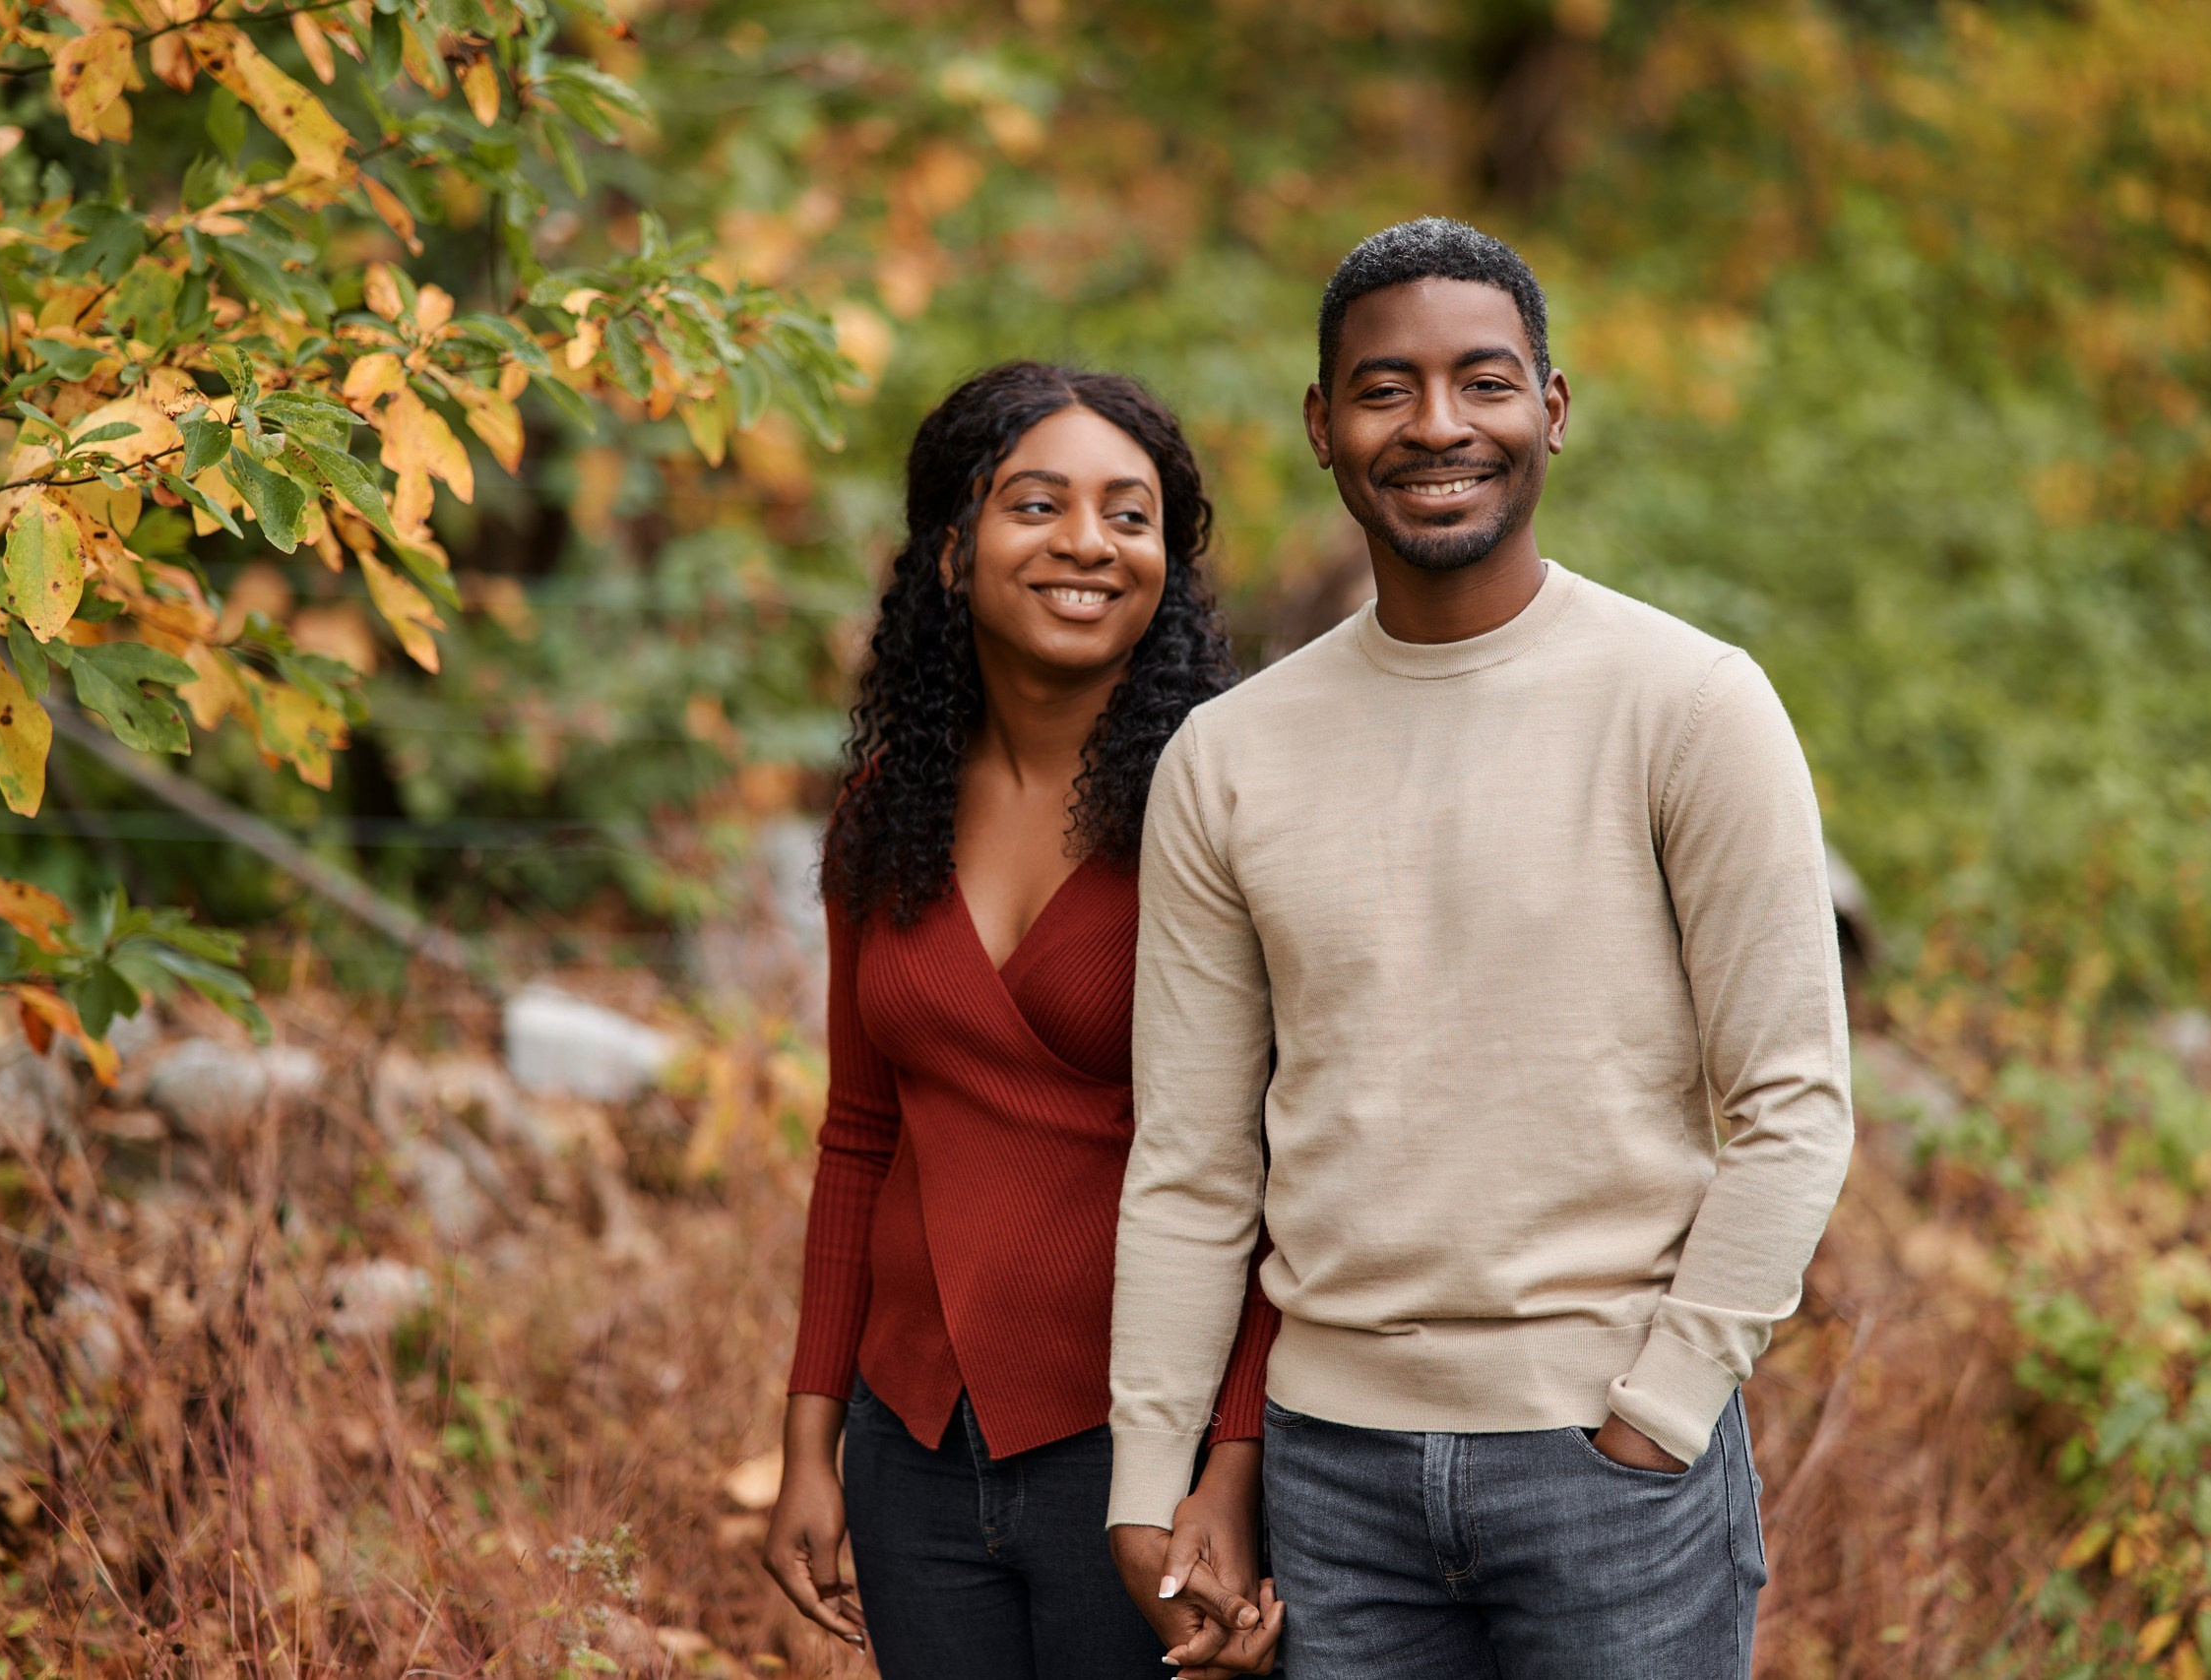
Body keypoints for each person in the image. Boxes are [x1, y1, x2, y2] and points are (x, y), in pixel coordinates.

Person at [1106, 218, 1855, 1678]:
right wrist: (1152, 1471)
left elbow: (1795, 1104)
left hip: (1610, 1478)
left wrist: (1665, 1403)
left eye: (1484, 382)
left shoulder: (1690, 704)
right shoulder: (1227, 757)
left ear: (1551, 412)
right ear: (1323, 427)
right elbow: (1193, 1162)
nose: (1436, 424)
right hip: (1333, 1487)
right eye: (1385, 389)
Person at [764, 362, 1286, 1680]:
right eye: (1036, 505)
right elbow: (858, 1138)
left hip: (1138, 1449)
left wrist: (1229, 1467)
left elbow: (1287, 1168)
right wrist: (809, 1443)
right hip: (913, 1446)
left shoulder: (1225, 808)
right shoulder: (885, 811)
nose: (1085, 546)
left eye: (1129, 514)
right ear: (950, 551)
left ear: (1169, 558)